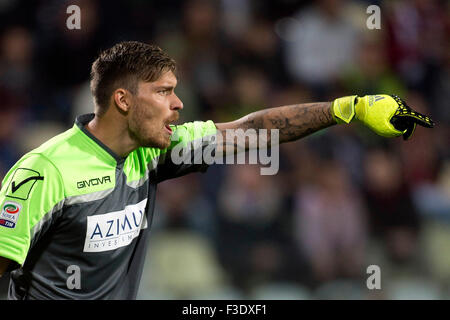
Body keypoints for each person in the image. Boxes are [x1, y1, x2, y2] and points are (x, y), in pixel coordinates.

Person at [0, 41, 434, 299]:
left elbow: (251, 130)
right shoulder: (46, 171)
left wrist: (346, 108)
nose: (178, 104)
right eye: (164, 92)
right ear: (123, 100)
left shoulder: (152, 153)